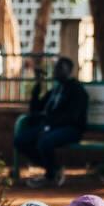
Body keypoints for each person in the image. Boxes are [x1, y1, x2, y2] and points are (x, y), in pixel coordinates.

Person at [15, 56, 88, 188]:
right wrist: (38, 84)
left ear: (68, 71)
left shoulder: (77, 90)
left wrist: (49, 127)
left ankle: (50, 175)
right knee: (20, 140)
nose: (55, 71)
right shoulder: (56, 90)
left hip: (70, 129)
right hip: (48, 127)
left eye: (59, 68)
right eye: (55, 68)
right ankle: (54, 168)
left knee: (44, 141)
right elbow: (36, 108)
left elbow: (73, 117)